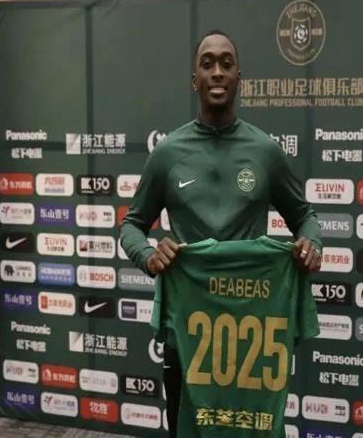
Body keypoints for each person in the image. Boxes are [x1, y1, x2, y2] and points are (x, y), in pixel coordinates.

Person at [120, 29, 322, 438]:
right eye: (207, 63)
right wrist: (148, 255)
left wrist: (312, 243)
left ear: (238, 78)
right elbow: (131, 225)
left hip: (253, 337)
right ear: (194, 79)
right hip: (188, 337)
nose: (217, 71)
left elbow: (305, 217)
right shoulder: (168, 153)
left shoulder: (265, 151)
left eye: (226, 64)